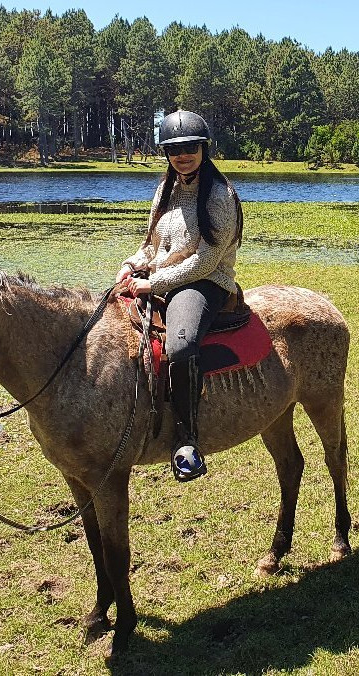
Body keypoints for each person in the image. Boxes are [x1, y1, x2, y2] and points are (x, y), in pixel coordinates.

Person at [117, 110, 244, 481]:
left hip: (204, 283)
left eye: (189, 147)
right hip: (161, 276)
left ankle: (187, 439)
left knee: (180, 346)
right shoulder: (165, 190)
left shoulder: (220, 195)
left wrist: (154, 285)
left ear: (204, 148)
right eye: (174, 149)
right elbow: (152, 245)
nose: (182, 155)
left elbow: (206, 261)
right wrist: (132, 264)